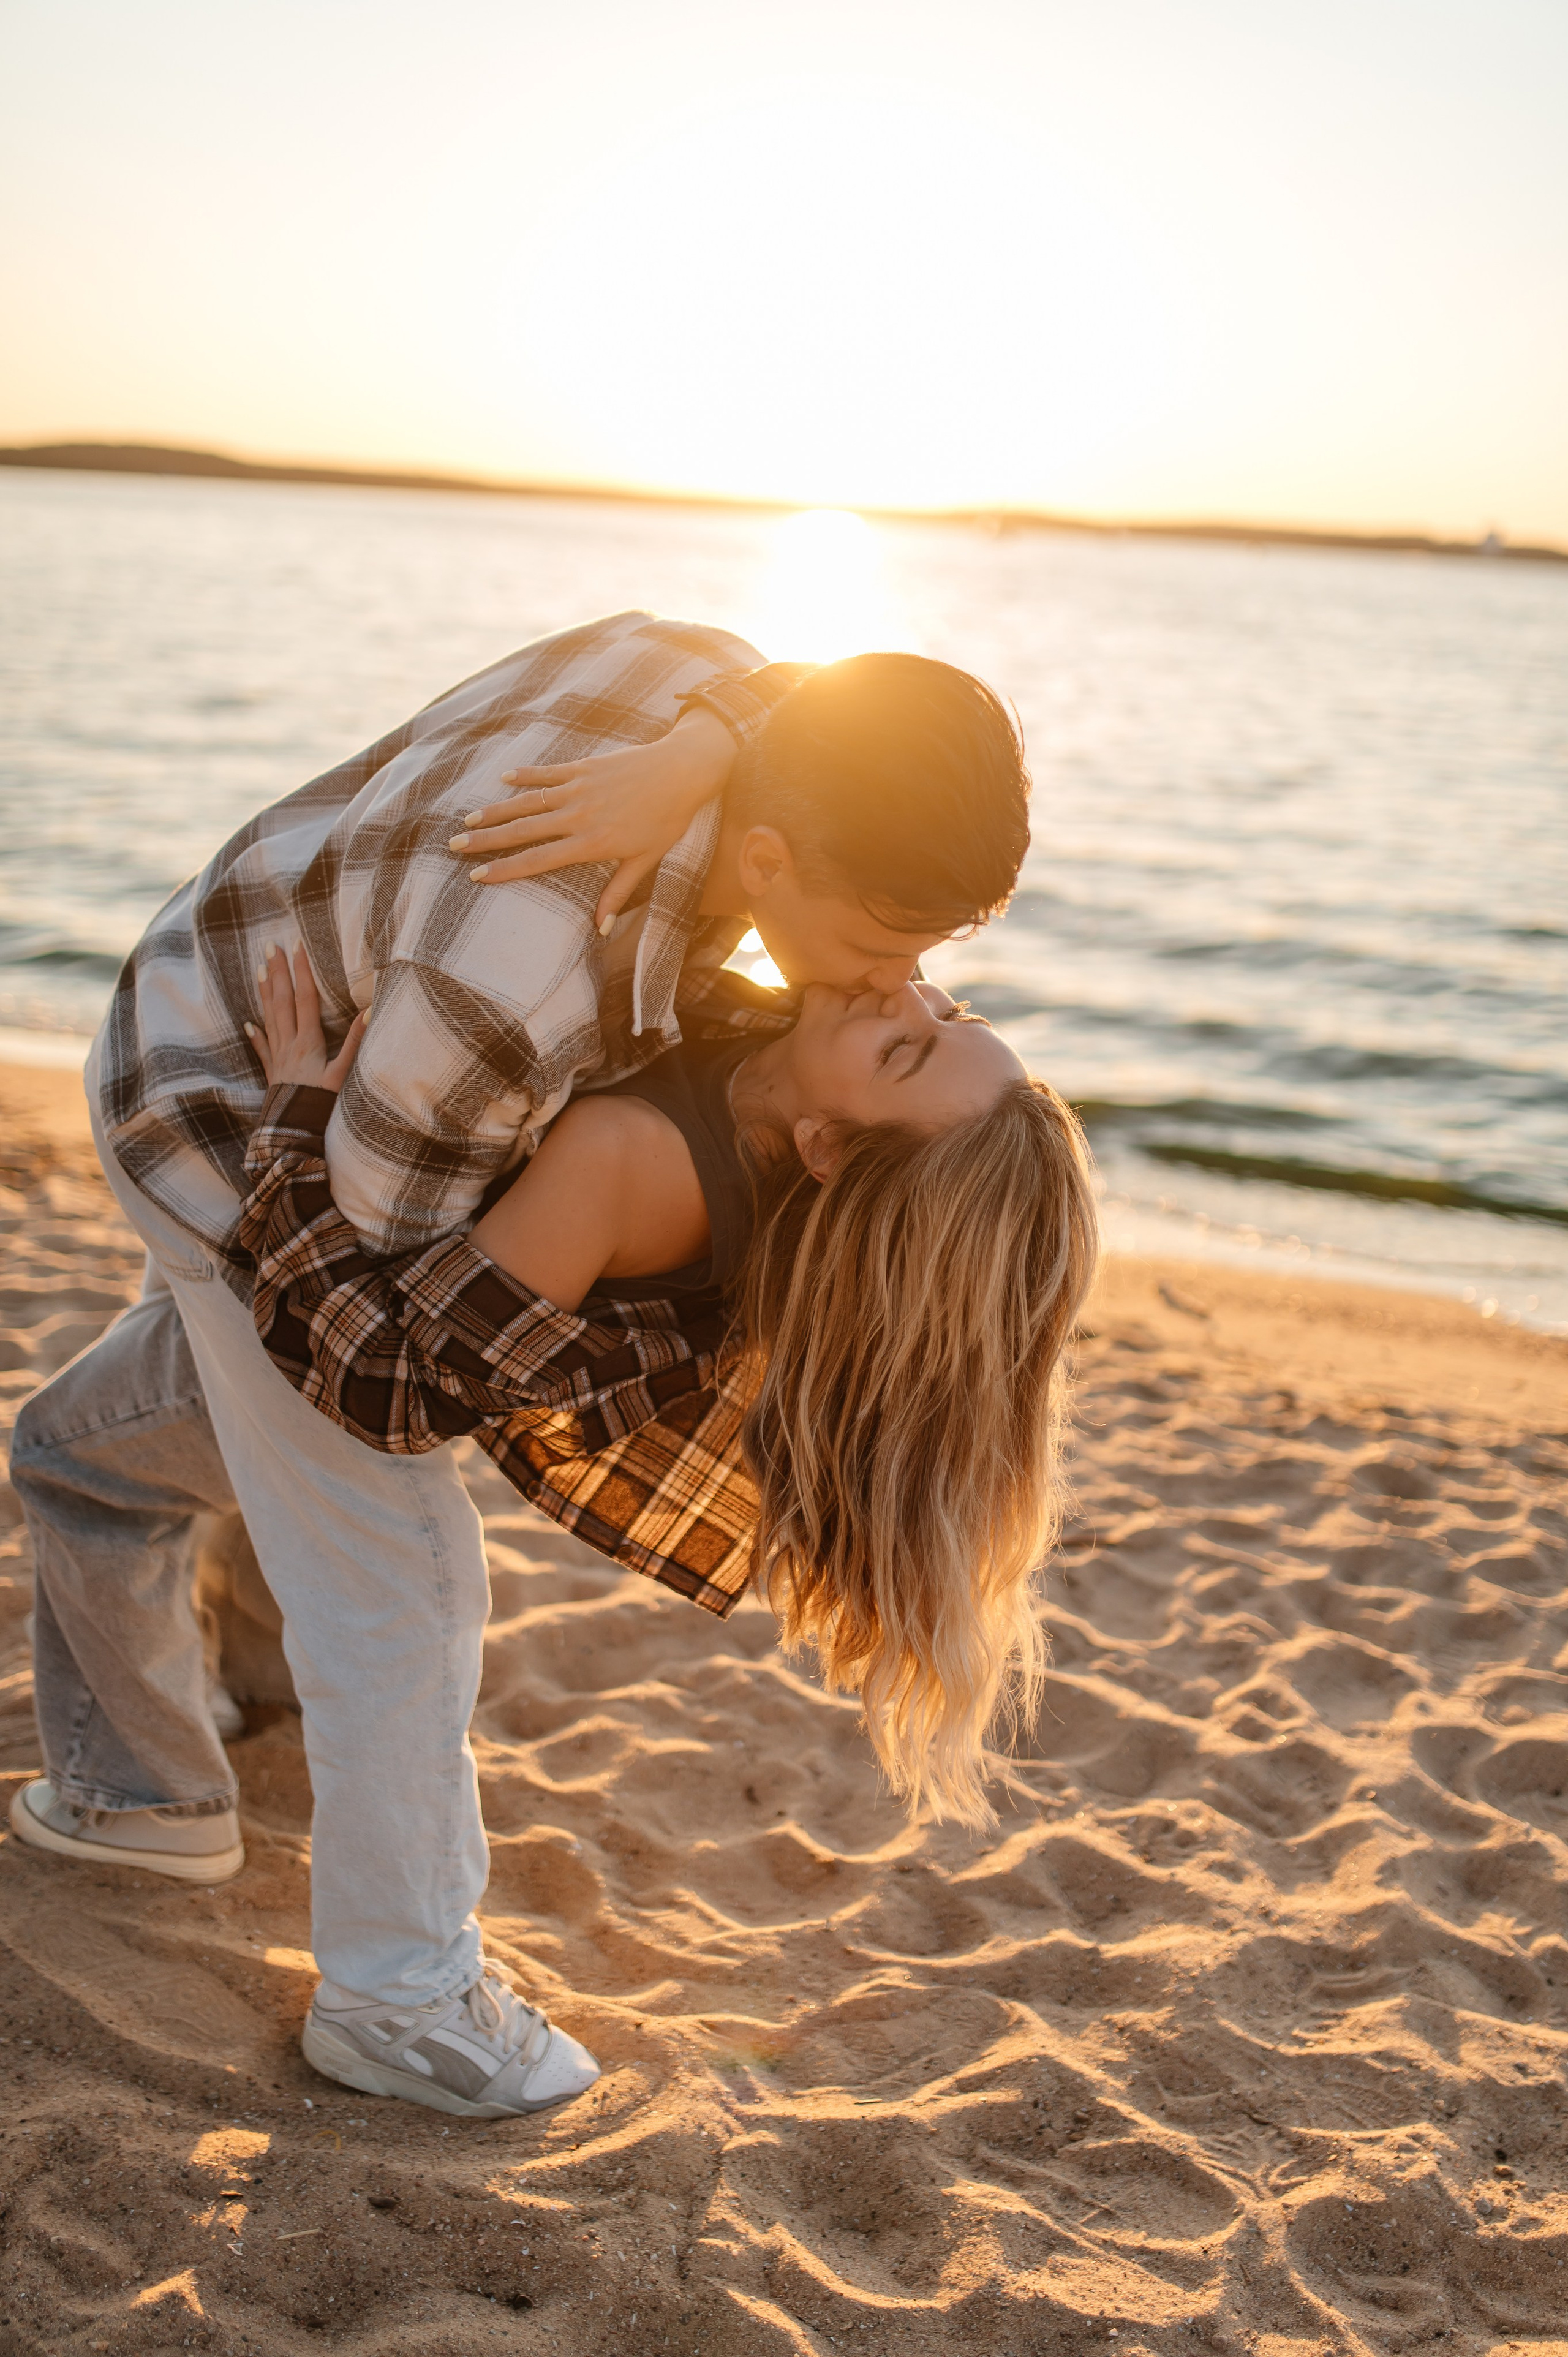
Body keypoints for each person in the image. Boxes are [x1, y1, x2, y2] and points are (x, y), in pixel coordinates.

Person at [7, 613, 1033, 2121]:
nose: (903, 978)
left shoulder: (720, 713)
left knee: (97, 1450)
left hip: (251, 1012)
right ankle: (399, 1997)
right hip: (231, 1120)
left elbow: (767, 682)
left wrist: (706, 742)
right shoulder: (517, 985)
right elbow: (355, 1326)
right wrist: (303, 1114)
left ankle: (152, 1759)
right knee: (397, 1577)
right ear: (769, 861)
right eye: (887, 945)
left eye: (936, 967)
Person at [235, 940, 1096, 2111]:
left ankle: (375, 1982)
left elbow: (388, 1387)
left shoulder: (628, 1160)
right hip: (350, 1310)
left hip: (331, 1323)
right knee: (95, 1446)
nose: (904, 985)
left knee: (402, 1592)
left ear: (829, 1148)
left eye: (906, 1043)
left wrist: (290, 1129)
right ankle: (152, 1759)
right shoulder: (782, 1061)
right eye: (948, 1005)